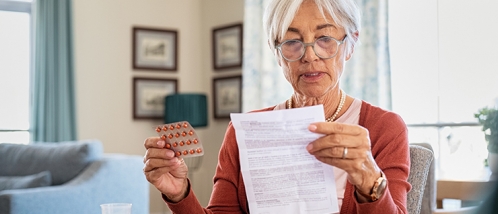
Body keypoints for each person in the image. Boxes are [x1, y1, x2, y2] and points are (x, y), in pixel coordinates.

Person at [143, 0, 410, 213]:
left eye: (325, 39)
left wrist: (370, 180)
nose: (309, 55)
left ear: (349, 44)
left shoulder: (384, 128)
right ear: (277, 52)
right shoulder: (242, 131)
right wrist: (179, 194)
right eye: (292, 42)